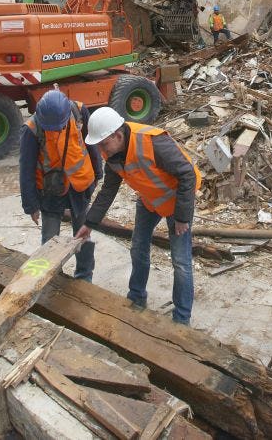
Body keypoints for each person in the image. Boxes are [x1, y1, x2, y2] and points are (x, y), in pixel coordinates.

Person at [76, 107, 201, 324]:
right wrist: (90, 223)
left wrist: (181, 217)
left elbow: (187, 174)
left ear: (117, 134)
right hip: (149, 199)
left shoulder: (153, 143)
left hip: (177, 201)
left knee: (180, 262)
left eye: (103, 144)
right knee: (138, 247)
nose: (101, 151)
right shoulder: (112, 152)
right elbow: (108, 190)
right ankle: (136, 298)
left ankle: (182, 320)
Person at [19, 90, 102, 281]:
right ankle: (51, 279)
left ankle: (84, 277)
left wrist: (97, 173)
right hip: (50, 191)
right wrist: (31, 206)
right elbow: (26, 169)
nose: (56, 130)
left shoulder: (79, 112)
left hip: (78, 186)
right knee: (50, 240)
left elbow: (91, 144)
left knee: (83, 235)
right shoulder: (31, 129)